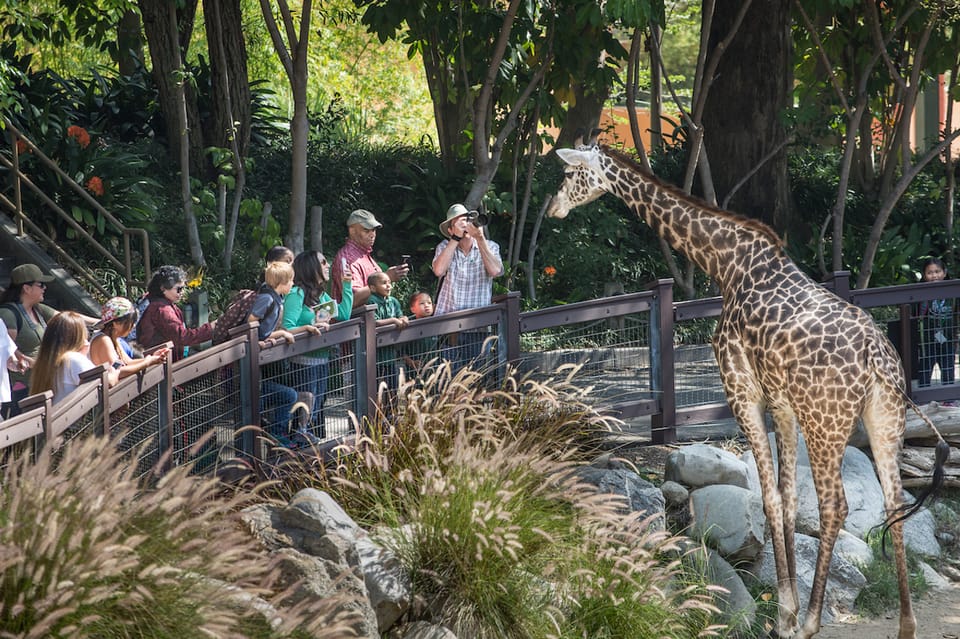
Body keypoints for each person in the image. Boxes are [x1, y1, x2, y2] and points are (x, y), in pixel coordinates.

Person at [0, 264, 95, 417]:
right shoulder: (8, 313)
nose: (45, 288)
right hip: (22, 386)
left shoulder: (38, 309)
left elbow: (67, 317)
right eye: (41, 284)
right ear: (27, 288)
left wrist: (99, 321)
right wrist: (22, 358)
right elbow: (5, 347)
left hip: (41, 381)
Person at [283, 250, 353, 435]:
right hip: (301, 363)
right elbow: (287, 327)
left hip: (322, 361)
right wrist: (309, 327)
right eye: (323, 262)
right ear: (310, 267)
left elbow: (344, 315)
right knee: (303, 413)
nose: (328, 265)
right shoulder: (296, 293)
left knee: (314, 412)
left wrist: (347, 285)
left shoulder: (321, 296)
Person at [431, 203, 504, 370]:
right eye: (459, 222)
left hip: (478, 325)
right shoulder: (444, 246)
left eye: (466, 220)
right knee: (449, 377)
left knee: (477, 375)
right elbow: (439, 270)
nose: (465, 224)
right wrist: (455, 239)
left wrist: (480, 238)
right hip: (449, 326)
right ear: (450, 229)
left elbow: (495, 271)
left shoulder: (491, 246)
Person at [250, 261, 309, 441]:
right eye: (290, 280)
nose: (292, 284)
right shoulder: (267, 298)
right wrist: (256, 341)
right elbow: (252, 320)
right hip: (254, 355)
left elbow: (265, 330)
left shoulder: (276, 298)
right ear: (281, 283)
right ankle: (277, 436)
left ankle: (277, 435)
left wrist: (280, 333)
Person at [30, 311, 120, 405]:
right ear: (77, 336)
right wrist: (115, 373)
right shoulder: (72, 359)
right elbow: (107, 383)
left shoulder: (46, 361)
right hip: (68, 417)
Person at [330, 208, 410, 308]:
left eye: (373, 230)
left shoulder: (363, 255)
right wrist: (387, 277)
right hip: (357, 322)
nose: (372, 235)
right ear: (352, 231)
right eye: (366, 230)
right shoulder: (347, 259)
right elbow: (352, 300)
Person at [136, 265, 216, 361]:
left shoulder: (151, 299)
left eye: (183, 288)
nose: (182, 293)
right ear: (163, 288)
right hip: (161, 364)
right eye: (179, 289)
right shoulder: (162, 310)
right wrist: (211, 328)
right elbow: (182, 337)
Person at [89, 297, 168, 379]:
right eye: (131, 322)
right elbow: (118, 371)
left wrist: (153, 358)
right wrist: (147, 362)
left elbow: (128, 362)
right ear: (116, 323)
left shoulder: (114, 338)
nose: (133, 326)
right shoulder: (103, 340)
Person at [916, 257, 956, 387]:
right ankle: (923, 393)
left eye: (937, 271)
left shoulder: (952, 292)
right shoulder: (920, 292)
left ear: (944, 273)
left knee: (948, 364)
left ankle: (948, 396)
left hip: (948, 337)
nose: (934, 275)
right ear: (924, 275)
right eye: (930, 272)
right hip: (928, 339)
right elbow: (915, 313)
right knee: (926, 366)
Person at [368, 272, 409, 391]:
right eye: (384, 283)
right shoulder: (371, 301)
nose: (388, 286)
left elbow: (400, 315)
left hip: (390, 355)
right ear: (373, 288)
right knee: (376, 389)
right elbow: (374, 322)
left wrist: (403, 318)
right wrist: (394, 320)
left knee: (392, 387)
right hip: (376, 356)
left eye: (389, 283)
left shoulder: (393, 301)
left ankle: (391, 409)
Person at [401, 289, 437, 377]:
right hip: (415, 373)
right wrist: (411, 362)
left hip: (436, 370)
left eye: (429, 303)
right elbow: (401, 351)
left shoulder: (437, 323)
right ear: (412, 309)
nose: (427, 306)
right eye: (422, 303)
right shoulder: (408, 326)